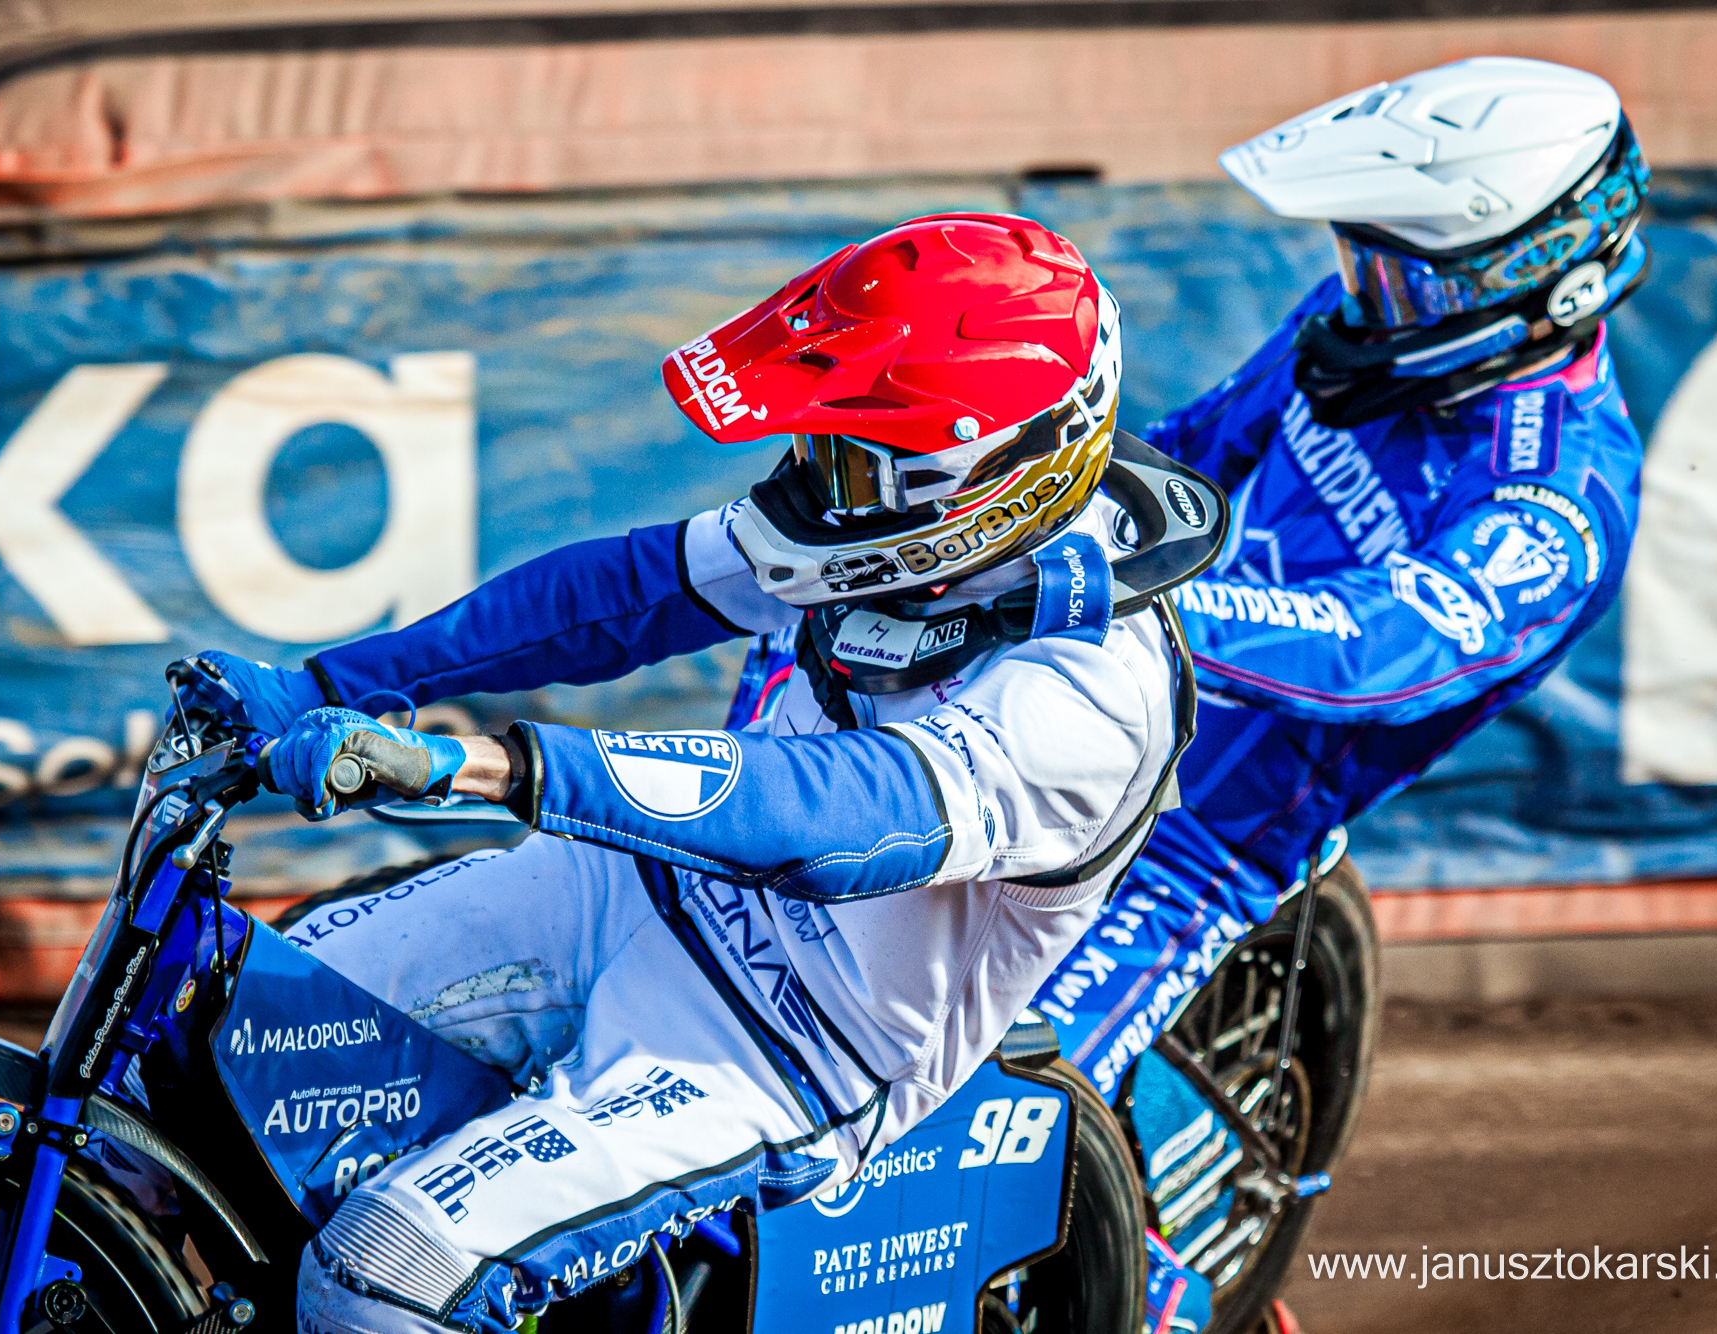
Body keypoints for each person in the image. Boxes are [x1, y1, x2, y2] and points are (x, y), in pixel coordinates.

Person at [176, 213, 1220, 1334]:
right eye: (816, 443)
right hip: (634, 885)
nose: (812, 483)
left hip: (788, 1044)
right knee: (223, 1032)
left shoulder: (1096, 688)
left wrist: (488, 765)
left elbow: (836, 819)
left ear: (988, 482)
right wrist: (331, 681)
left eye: (848, 461)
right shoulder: (899, 521)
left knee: (376, 1270)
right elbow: (624, 593)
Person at [1031, 54, 1655, 1314]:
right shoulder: (1353, 336)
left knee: (1000, 1122)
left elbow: (1370, 650)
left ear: (1551, 275)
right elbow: (1185, 458)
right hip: (1057, 723)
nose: (1371, 297)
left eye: (1408, 276)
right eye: (1362, 260)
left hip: (1189, 845)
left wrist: (1119, 608)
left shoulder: (1555, 494)